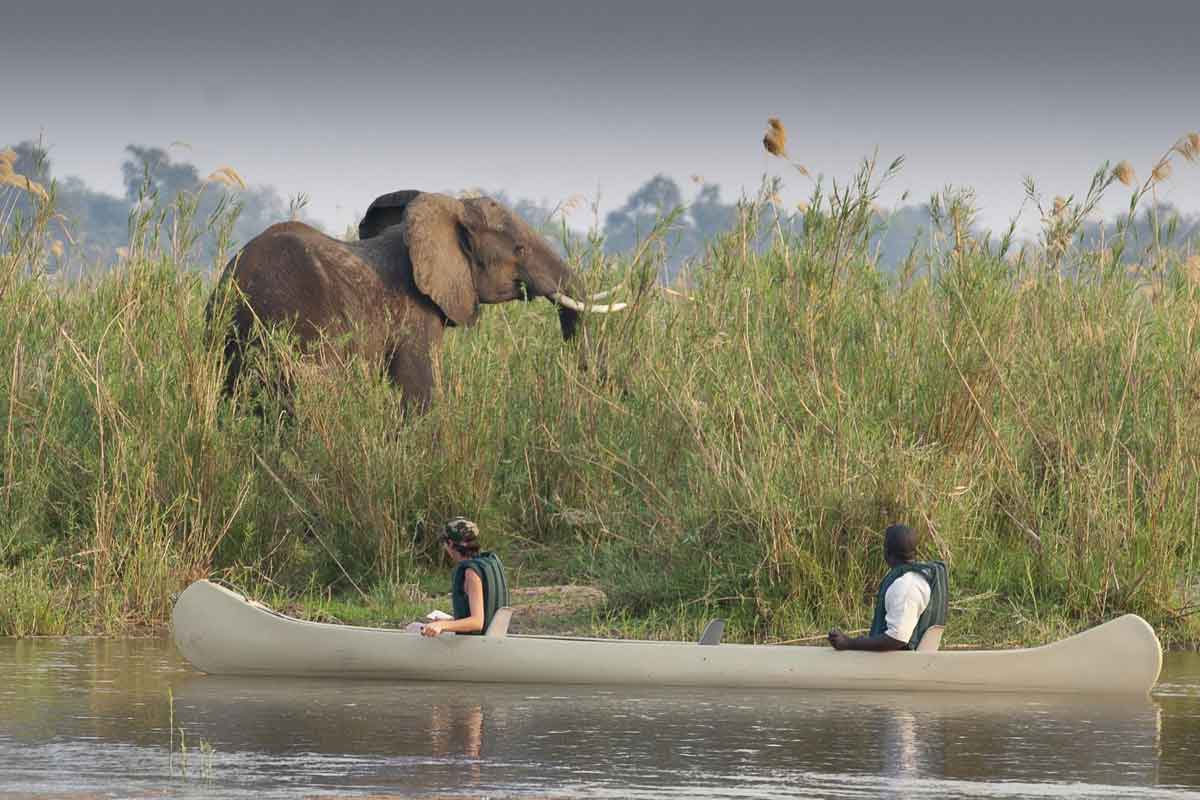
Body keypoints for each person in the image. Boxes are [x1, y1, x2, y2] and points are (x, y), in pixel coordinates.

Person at [828, 523, 948, 652]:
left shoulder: (905, 586)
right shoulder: (921, 576)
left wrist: (849, 643)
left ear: (887, 552)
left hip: (902, 665)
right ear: (914, 552)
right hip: (921, 660)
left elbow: (896, 639)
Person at [421, 517, 510, 637]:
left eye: (445, 544)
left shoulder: (471, 573)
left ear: (450, 543)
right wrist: (447, 622)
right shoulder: (489, 562)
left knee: (412, 628)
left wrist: (441, 625)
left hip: (478, 645)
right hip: (493, 639)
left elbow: (477, 622)